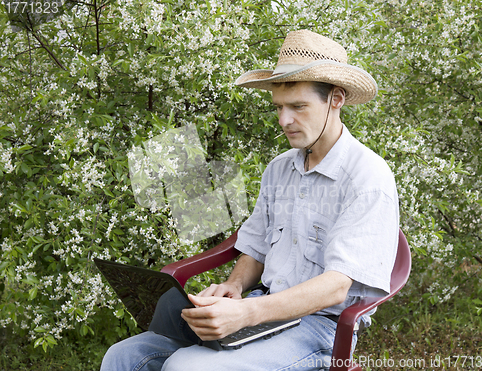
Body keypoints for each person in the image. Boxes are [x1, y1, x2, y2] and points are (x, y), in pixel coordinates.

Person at [101, 29, 399, 371]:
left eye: (298, 107)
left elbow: (335, 288)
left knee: (187, 367)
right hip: (262, 307)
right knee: (124, 356)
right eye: (279, 107)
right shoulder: (280, 169)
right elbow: (255, 246)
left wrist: (246, 313)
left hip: (320, 329)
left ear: (336, 99)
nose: (284, 120)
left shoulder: (368, 177)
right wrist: (234, 286)